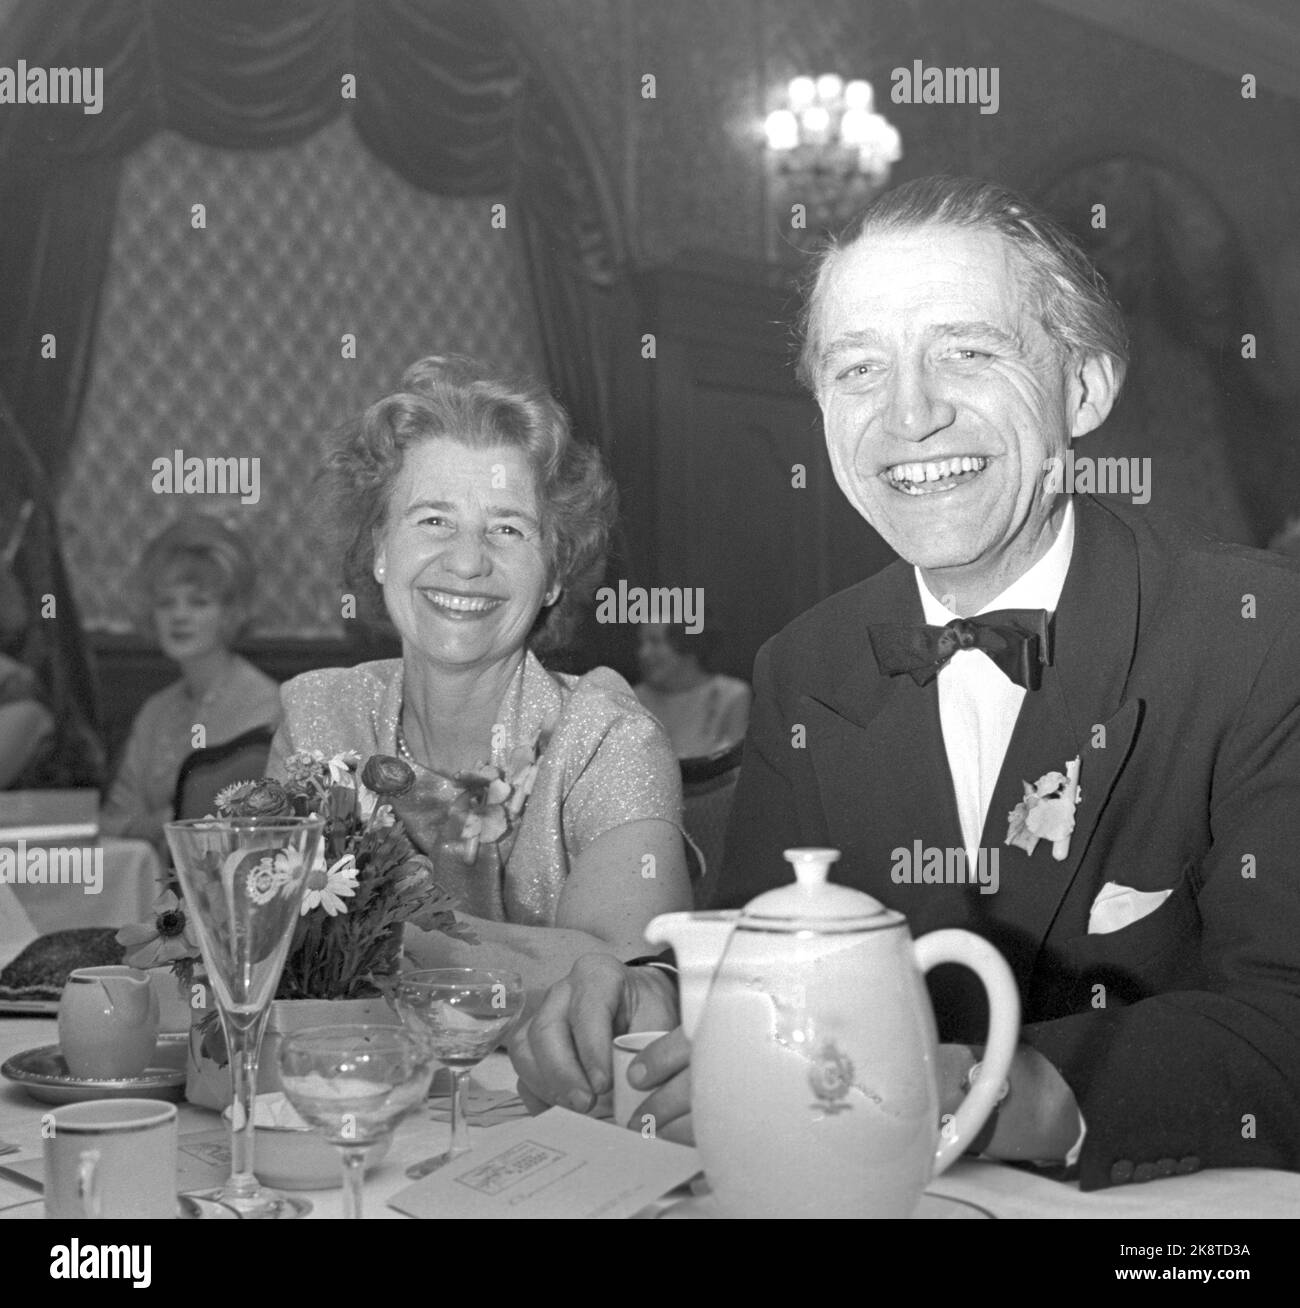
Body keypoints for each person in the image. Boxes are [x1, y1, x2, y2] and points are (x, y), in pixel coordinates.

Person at [508, 176, 1300, 1192]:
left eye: (968, 352)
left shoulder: (1255, 635)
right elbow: (772, 950)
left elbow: (1284, 1026)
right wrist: (660, 999)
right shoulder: (806, 663)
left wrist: (986, 1091)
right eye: (858, 369)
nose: (910, 414)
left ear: (1085, 390)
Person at [267, 356, 692, 999]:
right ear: (380, 548)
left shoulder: (606, 739)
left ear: (553, 574)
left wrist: (366, 934)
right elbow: (269, 950)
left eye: (507, 528)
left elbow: (630, 979)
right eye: (433, 520)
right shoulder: (320, 718)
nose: (467, 561)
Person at [101, 515, 281, 850]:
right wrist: (168, 821)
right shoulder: (155, 711)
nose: (179, 616)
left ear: (231, 612)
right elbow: (114, 822)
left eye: (199, 602)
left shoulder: (267, 705)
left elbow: (239, 821)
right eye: (166, 602)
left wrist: (158, 823)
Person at [633, 623, 750, 758]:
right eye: (641, 643)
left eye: (655, 642)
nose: (643, 653)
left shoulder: (731, 695)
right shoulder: (632, 698)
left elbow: (734, 770)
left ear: (687, 644)